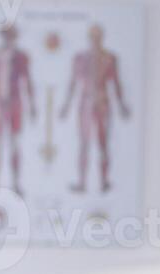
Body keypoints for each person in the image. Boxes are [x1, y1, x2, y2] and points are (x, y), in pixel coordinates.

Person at [60, 22, 131, 194]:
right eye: (93, 36)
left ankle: (104, 181)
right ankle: (82, 182)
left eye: (98, 36)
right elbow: (72, 83)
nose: (95, 40)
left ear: (102, 37)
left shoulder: (110, 58)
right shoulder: (80, 58)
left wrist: (122, 105)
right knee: (84, 143)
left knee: (103, 144)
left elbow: (116, 83)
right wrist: (66, 106)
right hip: (85, 103)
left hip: (103, 103)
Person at [0, 21, 36, 198]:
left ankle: (16, 183)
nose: (8, 38)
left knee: (14, 143)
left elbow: (27, 81)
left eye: (11, 35)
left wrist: (32, 104)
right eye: (5, 35)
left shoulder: (21, 57)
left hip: (15, 102)